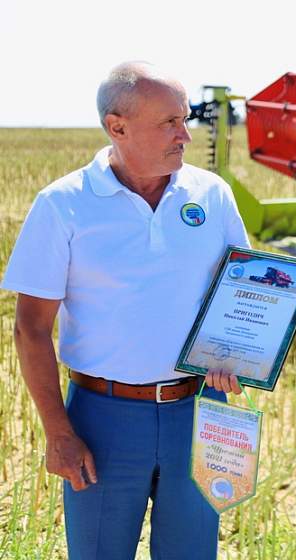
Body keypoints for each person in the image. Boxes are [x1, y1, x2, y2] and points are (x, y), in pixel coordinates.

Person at [4, 62, 249, 559]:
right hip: (102, 419)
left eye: (185, 119)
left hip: (200, 412)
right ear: (117, 127)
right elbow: (31, 329)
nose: (185, 134)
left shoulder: (212, 195)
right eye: (169, 123)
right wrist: (59, 433)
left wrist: (238, 355)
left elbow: (241, 293)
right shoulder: (63, 205)